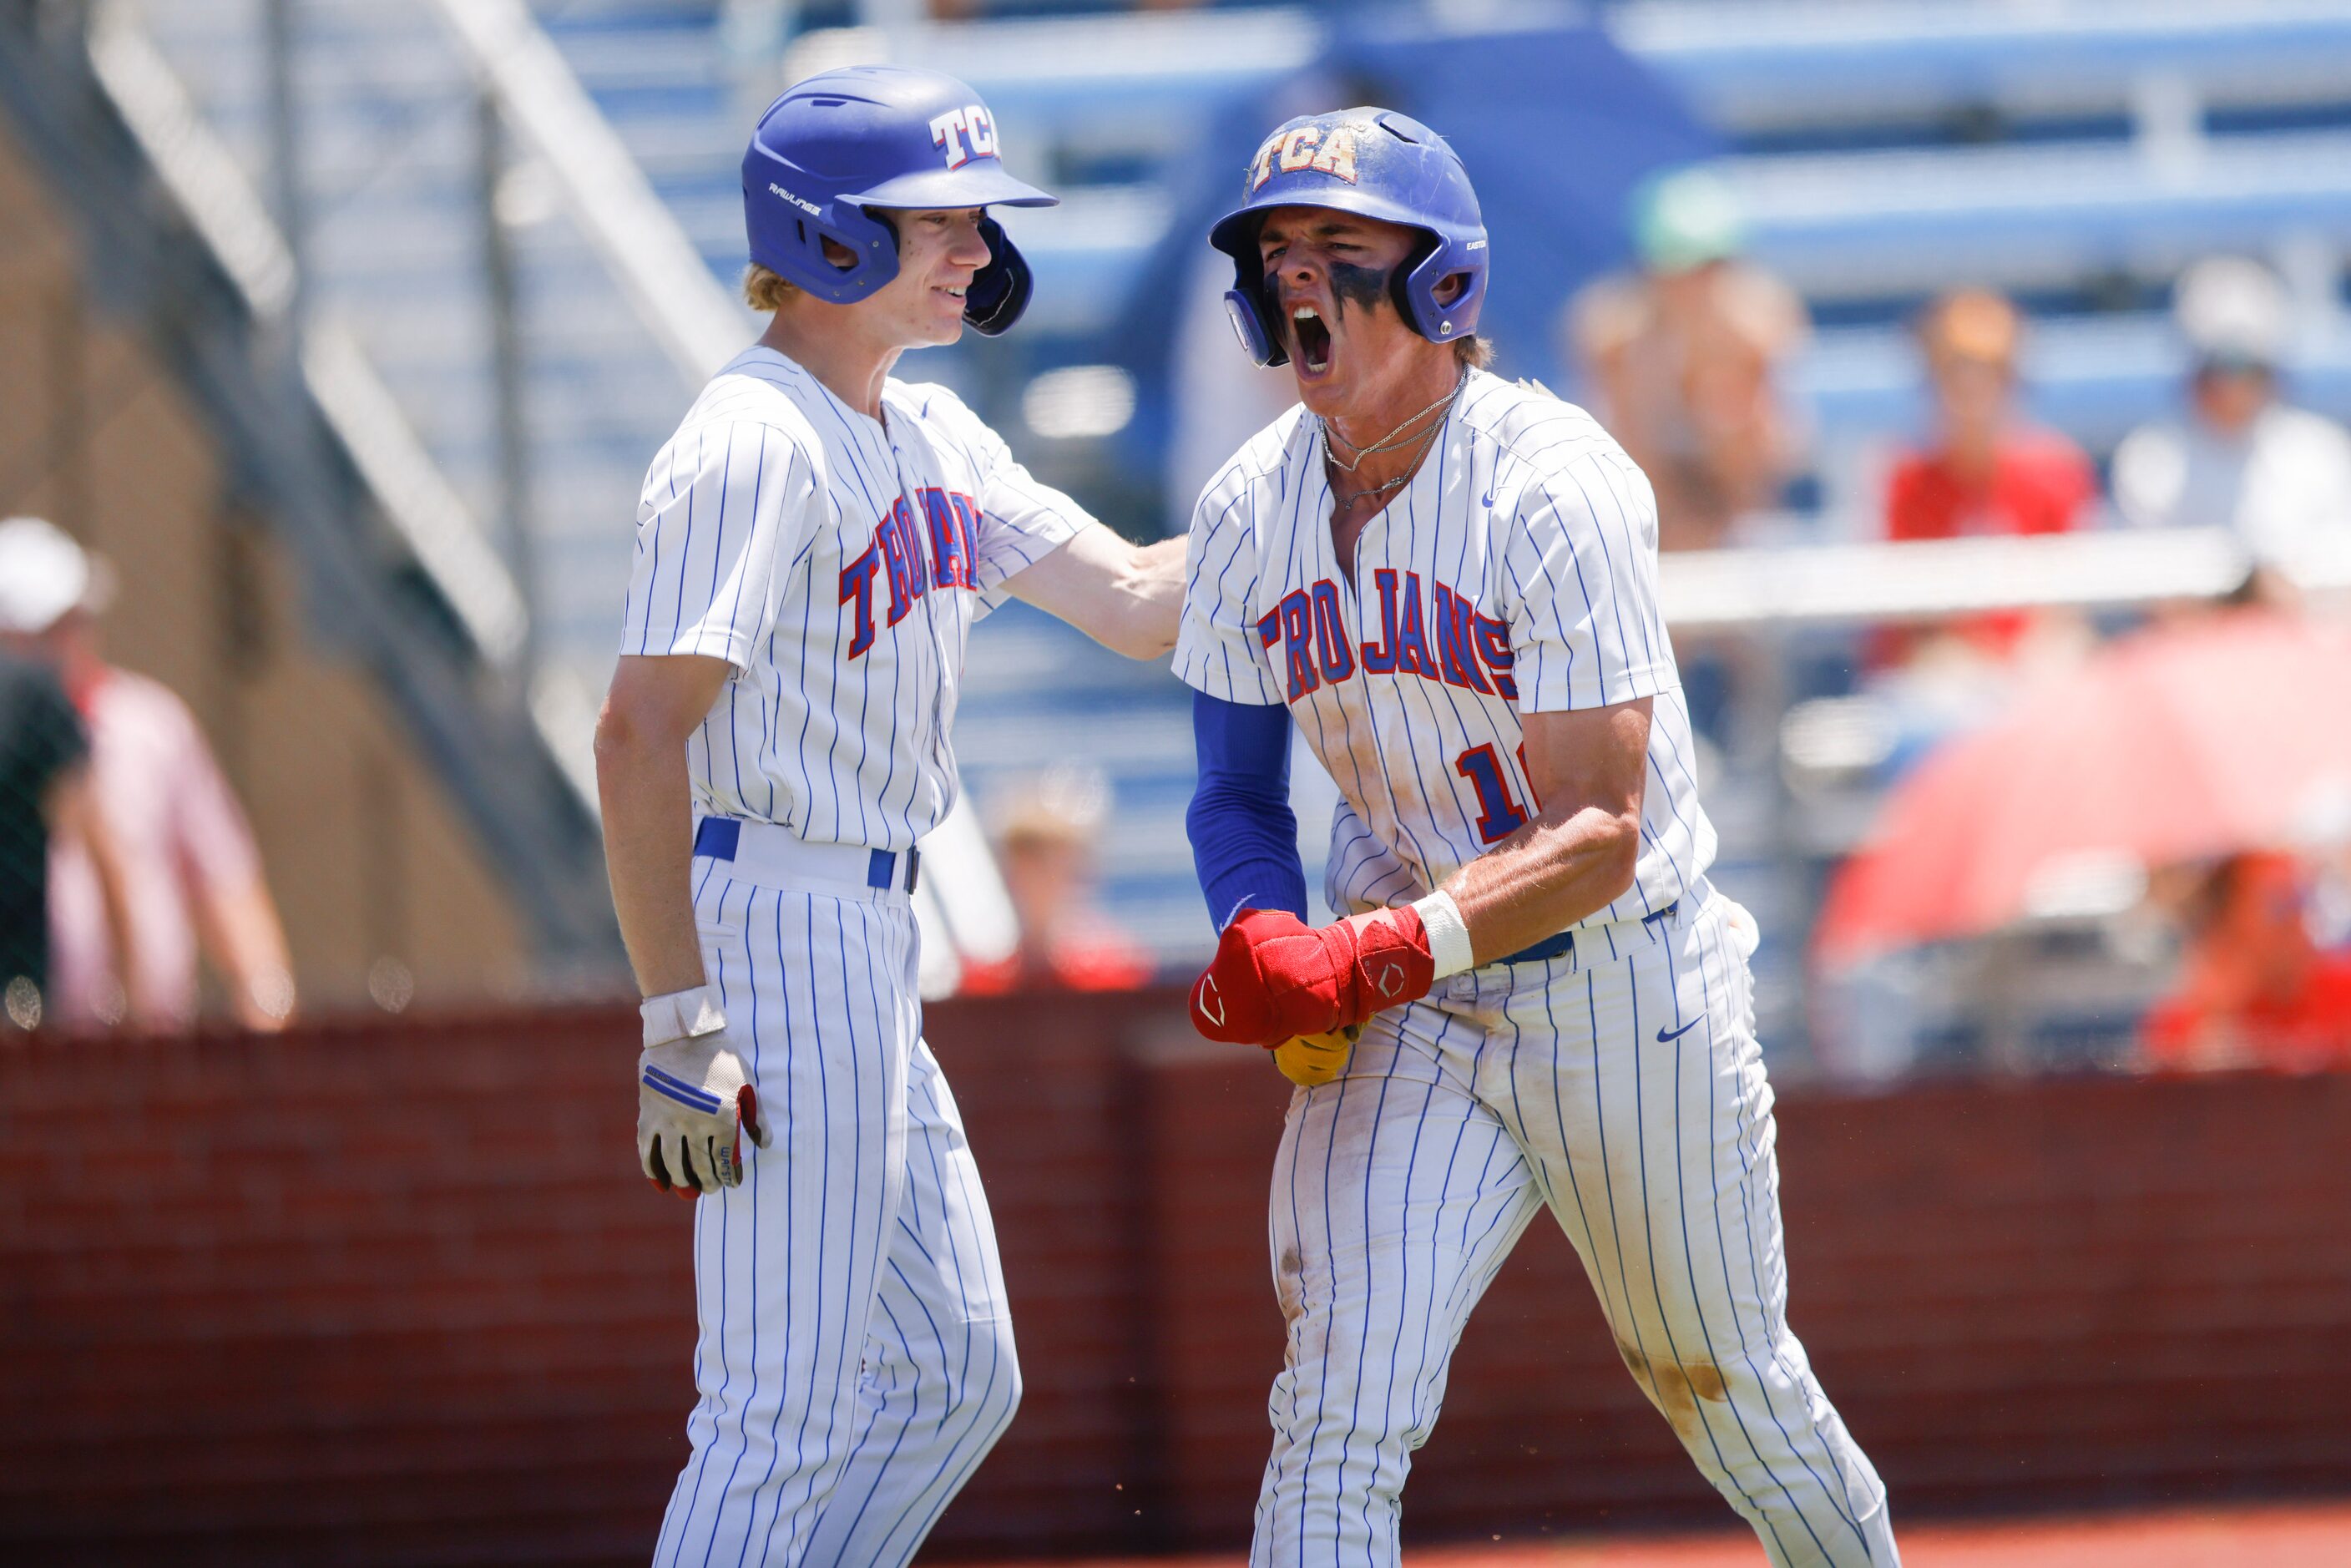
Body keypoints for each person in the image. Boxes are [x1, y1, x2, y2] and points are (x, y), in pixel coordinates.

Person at [1176, 109, 1898, 1565]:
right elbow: (1236, 791)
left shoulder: (1555, 479)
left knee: (1725, 1389)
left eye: (1337, 248)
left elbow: (1597, 829)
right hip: (1421, 1004)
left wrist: (1367, 952)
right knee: (1337, 1410)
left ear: (1443, 281)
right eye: (1273, 251)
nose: (1294, 279)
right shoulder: (1245, 506)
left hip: (1619, 985)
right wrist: (1258, 925)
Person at [593, 67, 1185, 1566]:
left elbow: (1131, 604)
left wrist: (1337, 469)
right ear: (829, 233)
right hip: (772, 915)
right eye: (941, 220)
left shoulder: (929, 433)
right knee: (777, 1410)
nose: (977, 250)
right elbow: (637, 729)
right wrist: (677, 1020)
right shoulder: (752, 437)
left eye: (977, 219)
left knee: (953, 1374)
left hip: (870, 927)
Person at [0, 518, 295, 1033]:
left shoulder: (153, 725)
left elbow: (225, 881)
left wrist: (267, 1008)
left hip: (148, 1050)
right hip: (32, 1050)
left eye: (78, 619)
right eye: (49, 628)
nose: (74, 638)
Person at [1568, 164, 1808, 553]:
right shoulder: (1613, 338)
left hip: (1738, 522)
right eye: (1684, 268)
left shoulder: (1759, 330)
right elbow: (1626, 465)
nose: (1698, 286)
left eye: (1712, 267)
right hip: (1651, 521)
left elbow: (1760, 465)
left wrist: (1721, 386)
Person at [1874, 289, 2097, 666]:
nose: (1972, 388)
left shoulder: (2056, 471)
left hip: (2036, 661)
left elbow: (2068, 603)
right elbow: (1914, 620)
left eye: (1989, 370)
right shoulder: (1908, 482)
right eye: (1956, 370)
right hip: (1949, 668)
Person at [2112, 256, 2351, 569]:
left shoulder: (2323, 452)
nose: (2233, 385)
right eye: (2222, 366)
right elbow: (2154, 591)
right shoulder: (2149, 461)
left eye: (2248, 366)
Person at [2141, 849, 2351, 1072]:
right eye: (2281, 905)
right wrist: (2219, 1017)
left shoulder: (2342, 988)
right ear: (2229, 921)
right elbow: (2183, 1097)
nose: (2297, 919)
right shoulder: (2185, 1022)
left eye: (2303, 899)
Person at [956, 766, 1151, 995]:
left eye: (1049, 863)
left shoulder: (1114, 971)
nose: (1036, 882)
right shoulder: (986, 979)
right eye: (1025, 862)